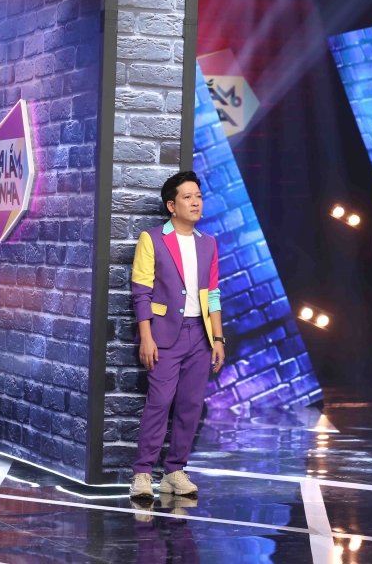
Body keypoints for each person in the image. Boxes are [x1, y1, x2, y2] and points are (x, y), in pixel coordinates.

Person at [129, 171, 225, 499]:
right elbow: (141, 292)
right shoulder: (152, 239)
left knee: (191, 405)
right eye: (187, 197)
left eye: (198, 196)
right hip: (164, 335)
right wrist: (146, 337)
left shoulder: (208, 243)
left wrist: (218, 338)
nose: (196, 202)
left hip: (200, 336)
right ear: (172, 205)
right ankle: (142, 473)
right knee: (159, 402)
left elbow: (213, 293)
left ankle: (174, 471)